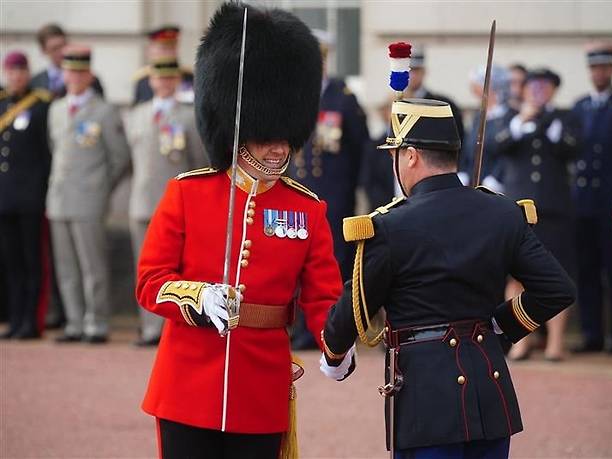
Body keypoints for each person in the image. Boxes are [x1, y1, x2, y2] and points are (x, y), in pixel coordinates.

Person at [135, 4, 342, 458]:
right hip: (186, 387)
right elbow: (150, 283)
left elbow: (323, 297)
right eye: (267, 134)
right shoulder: (187, 194)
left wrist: (337, 346)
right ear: (240, 131)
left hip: (260, 391)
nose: (279, 146)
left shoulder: (305, 209)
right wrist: (197, 297)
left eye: (285, 135)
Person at [321, 97, 576, 458]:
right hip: (491, 396)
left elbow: (356, 305)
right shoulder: (502, 212)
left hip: (425, 403)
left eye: (396, 153)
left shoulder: (390, 225)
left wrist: (334, 355)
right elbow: (557, 289)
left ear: (410, 156)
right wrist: (497, 326)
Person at [287, 29, 370, 350]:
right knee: (295, 262)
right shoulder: (292, 95)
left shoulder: (343, 97)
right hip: (298, 193)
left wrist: (360, 190)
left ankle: (329, 330)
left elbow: (362, 146)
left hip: (334, 196)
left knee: (332, 263)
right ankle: (301, 329)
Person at [47, 45, 131, 343]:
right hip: (58, 198)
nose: (74, 76)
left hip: (89, 199)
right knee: (66, 266)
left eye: (80, 71)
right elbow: (56, 151)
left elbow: (120, 157)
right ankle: (74, 321)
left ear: (89, 74)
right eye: (70, 71)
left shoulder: (104, 111)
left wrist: (100, 186)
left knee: (92, 266)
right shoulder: (56, 109)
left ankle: (96, 322)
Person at [496, 68, 580, 361]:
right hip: (518, 207)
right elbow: (499, 144)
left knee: (559, 270)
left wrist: (550, 124)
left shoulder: (564, 118)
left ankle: (555, 342)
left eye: (544, 88)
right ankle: (521, 340)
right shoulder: (512, 118)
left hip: (554, 208)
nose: (538, 93)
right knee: (515, 276)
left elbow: (573, 148)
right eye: (533, 87)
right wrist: (523, 120)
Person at [126, 56, 207, 347]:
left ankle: (172, 325)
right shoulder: (136, 114)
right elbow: (127, 159)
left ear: (177, 81)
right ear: (150, 81)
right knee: (144, 268)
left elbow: (199, 162)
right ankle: (149, 327)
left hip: (177, 205)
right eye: (159, 78)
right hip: (143, 201)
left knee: (177, 268)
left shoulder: (189, 115)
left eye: (170, 78)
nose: (164, 83)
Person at [571, 42, 612, 354]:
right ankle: (591, 333)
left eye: (604, 67)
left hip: (611, 203)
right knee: (587, 270)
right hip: (582, 202)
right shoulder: (579, 107)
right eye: (594, 67)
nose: (599, 72)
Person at [0, 52, 51, 339]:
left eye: (21, 71)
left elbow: (46, 154)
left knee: (33, 261)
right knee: (11, 262)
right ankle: (16, 319)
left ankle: (32, 321)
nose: (16, 77)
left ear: (27, 73)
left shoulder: (41, 106)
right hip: (5, 198)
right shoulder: (3, 104)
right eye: (11, 71)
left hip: (31, 197)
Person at [459, 64, 513, 191]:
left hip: (498, 188)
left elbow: (507, 153)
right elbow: (469, 149)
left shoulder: (510, 117)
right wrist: (463, 172)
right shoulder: (479, 117)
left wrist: (497, 177)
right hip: (473, 184)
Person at [31, 23, 104, 99]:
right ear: (44, 51)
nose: (61, 52)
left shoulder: (89, 80)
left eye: (63, 46)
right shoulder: (35, 82)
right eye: (55, 49)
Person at [406, 47, 464, 142]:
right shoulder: (396, 103)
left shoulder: (441, 104)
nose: (410, 75)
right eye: (407, 71)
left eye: (415, 71)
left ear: (423, 72)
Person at [132, 25, 194, 105]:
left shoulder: (188, 76)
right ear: (150, 50)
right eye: (163, 49)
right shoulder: (143, 79)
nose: (168, 54)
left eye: (172, 48)